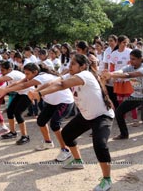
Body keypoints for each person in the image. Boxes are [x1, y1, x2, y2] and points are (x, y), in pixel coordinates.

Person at [28, 54, 114, 191]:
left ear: (83, 66)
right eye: (70, 63)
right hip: (87, 115)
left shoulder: (85, 75)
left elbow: (61, 85)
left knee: (100, 144)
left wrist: (39, 94)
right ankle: (78, 161)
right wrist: (37, 90)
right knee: (67, 135)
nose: (70, 66)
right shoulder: (72, 75)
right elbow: (54, 82)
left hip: (102, 116)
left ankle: (107, 180)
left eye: (73, 64)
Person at [0, 63, 75, 162]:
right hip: (52, 102)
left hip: (64, 101)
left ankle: (65, 149)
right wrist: (6, 89)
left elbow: (24, 85)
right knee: (41, 121)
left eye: (27, 74)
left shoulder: (42, 77)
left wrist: (6, 90)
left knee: (55, 124)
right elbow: (20, 82)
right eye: (25, 74)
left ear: (35, 72)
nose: (26, 76)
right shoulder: (36, 76)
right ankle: (48, 142)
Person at [102, 49, 143, 152]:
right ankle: (124, 134)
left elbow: (128, 75)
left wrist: (111, 75)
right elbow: (121, 71)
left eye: (133, 59)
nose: (131, 61)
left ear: (140, 58)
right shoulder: (130, 67)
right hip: (136, 95)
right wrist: (110, 73)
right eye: (130, 59)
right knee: (119, 112)